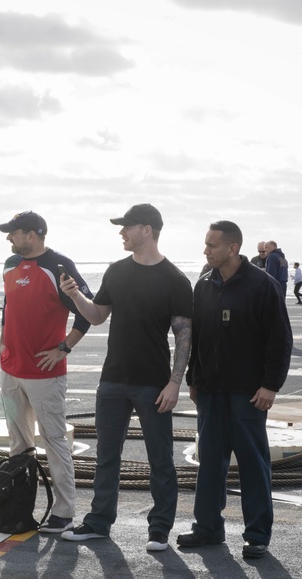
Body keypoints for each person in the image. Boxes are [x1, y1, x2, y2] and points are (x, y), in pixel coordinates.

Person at [60, 203, 193, 553]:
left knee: (160, 457)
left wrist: (175, 382)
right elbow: (98, 315)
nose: (121, 232)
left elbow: (184, 335)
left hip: (153, 382)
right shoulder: (116, 271)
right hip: (113, 379)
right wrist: (75, 295)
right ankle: (98, 523)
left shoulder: (175, 280)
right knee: (107, 455)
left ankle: (160, 529)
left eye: (127, 227)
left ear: (146, 230)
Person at [178, 220, 292, 560]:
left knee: (253, 464)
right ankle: (208, 527)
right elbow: (198, 338)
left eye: (212, 245)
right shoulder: (203, 286)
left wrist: (271, 385)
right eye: (205, 244)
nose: (205, 250)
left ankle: (257, 535)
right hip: (210, 391)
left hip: (248, 393)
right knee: (210, 461)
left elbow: (279, 340)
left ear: (232, 247)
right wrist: (193, 380)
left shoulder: (262, 286)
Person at [0, 211, 94, 534]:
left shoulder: (58, 266)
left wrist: (64, 348)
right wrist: (2, 344)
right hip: (11, 370)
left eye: (14, 233)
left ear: (33, 235)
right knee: (18, 445)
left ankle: (64, 512)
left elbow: (87, 312)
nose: (9, 238)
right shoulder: (10, 265)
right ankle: (19, 506)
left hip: (45, 374)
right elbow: (8, 307)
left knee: (53, 441)